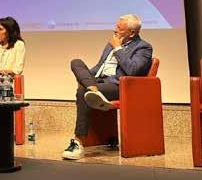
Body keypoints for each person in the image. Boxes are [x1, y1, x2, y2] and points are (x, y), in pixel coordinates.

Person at [62, 14, 153, 160]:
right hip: (99, 82)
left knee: (82, 91)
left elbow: (133, 70)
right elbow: (99, 67)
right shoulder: (110, 45)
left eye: (119, 28)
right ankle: (93, 89)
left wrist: (117, 48)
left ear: (132, 33)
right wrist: (86, 78)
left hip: (118, 86)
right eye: (116, 26)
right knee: (76, 62)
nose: (115, 30)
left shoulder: (143, 47)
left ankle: (78, 142)